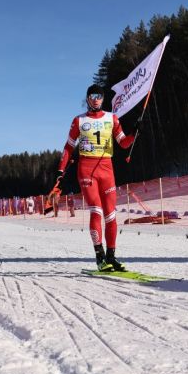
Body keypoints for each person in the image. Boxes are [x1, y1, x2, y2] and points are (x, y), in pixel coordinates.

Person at [57, 84, 135, 271]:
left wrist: (134, 133)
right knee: (96, 210)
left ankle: (111, 257)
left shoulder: (112, 118)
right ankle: (100, 257)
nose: (96, 99)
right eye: (92, 96)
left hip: (106, 169)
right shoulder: (79, 120)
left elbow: (123, 143)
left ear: (103, 99)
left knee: (110, 214)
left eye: (99, 96)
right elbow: (68, 147)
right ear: (87, 99)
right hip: (87, 169)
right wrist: (61, 169)